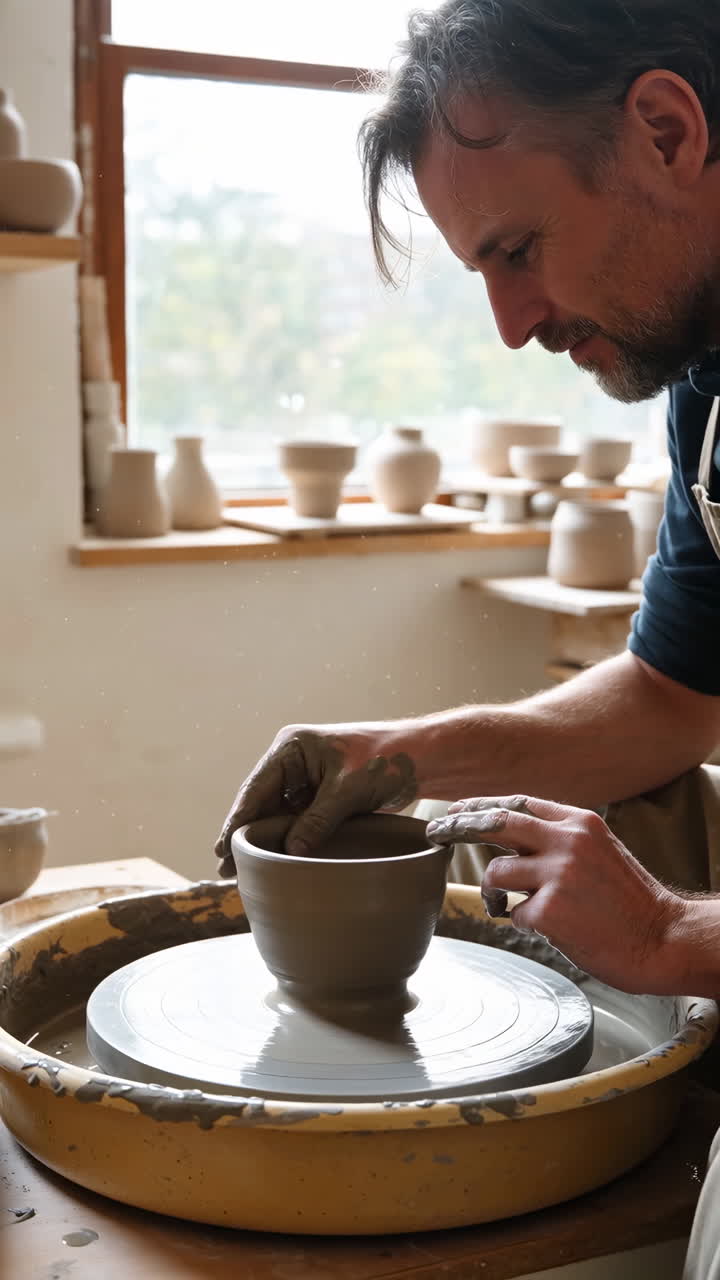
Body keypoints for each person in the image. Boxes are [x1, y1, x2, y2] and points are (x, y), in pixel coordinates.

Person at [214, 4, 720, 1271]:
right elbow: (671, 699)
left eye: (520, 248)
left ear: (666, 129)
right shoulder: (707, 372)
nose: (510, 321)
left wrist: (672, 933)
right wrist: (388, 759)